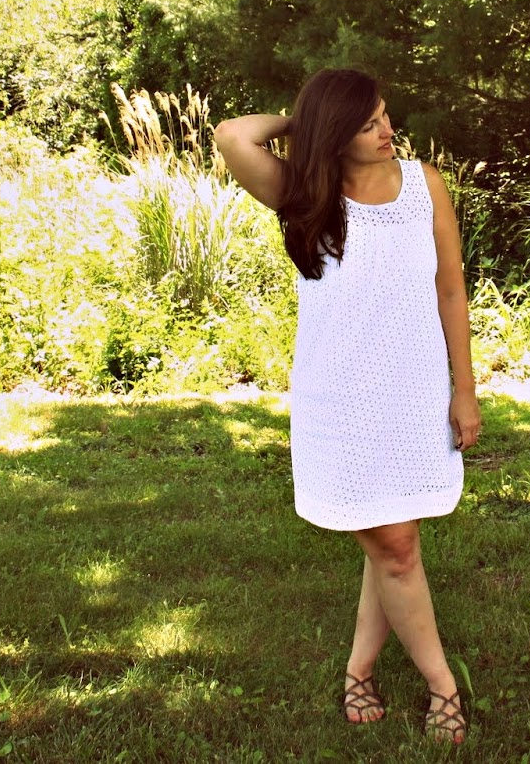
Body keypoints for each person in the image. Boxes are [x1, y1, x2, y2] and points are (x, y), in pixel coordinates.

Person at [214, 67, 481, 744]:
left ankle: (358, 670)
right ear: (335, 134)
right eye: (366, 124)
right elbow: (233, 135)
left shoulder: (425, 185)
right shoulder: (306, 194)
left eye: (384, 115)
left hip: (413, 391)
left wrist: (464, 388)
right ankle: (443, 686)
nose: (386, 131)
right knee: (396, 546)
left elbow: (451, 289)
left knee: (388, 536)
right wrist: (303, 125)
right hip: (339, 401)